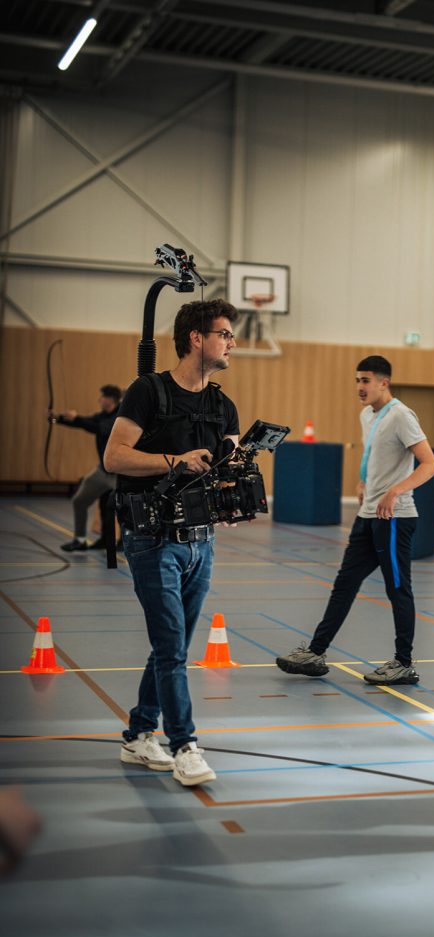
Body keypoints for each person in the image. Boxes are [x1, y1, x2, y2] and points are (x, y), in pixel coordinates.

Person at [104, 299, 239, 786]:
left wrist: (231, 490)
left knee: (172, 644)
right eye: (224, 334)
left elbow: (226, 470)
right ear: (196, 338)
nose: (232, 343)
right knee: (172, 649)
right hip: (151, 538)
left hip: (202, 540)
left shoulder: (223, 406)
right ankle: (184, 745)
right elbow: (114, 457)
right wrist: (173, 460)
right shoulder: (148, 392)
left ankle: (139, 734)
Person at [276, 355, 434, 685]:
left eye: (366, 380)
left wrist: (395, 491)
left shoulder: (401, 416)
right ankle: (315, 652)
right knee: (344, 584)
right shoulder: (368, 415)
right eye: (357, 380)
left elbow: (429, 464)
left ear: (384, 382)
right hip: (368, 516)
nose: (359, 387)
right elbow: (377, 457)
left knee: (397, 589)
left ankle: (403, 663)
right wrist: (365, 482)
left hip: (394, 518)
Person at [48, 385, 122, 552]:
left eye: (102, 397)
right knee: (80, 501)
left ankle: (123, 542)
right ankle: (81, 540)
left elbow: (102, 428)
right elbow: (85, 423)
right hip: (103, 471)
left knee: (124, 509)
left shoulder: (120, 416)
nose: (99, 400)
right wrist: (57, 419)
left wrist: (77, 418)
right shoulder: (102, 415)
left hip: (120, 475)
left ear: (110, 399)